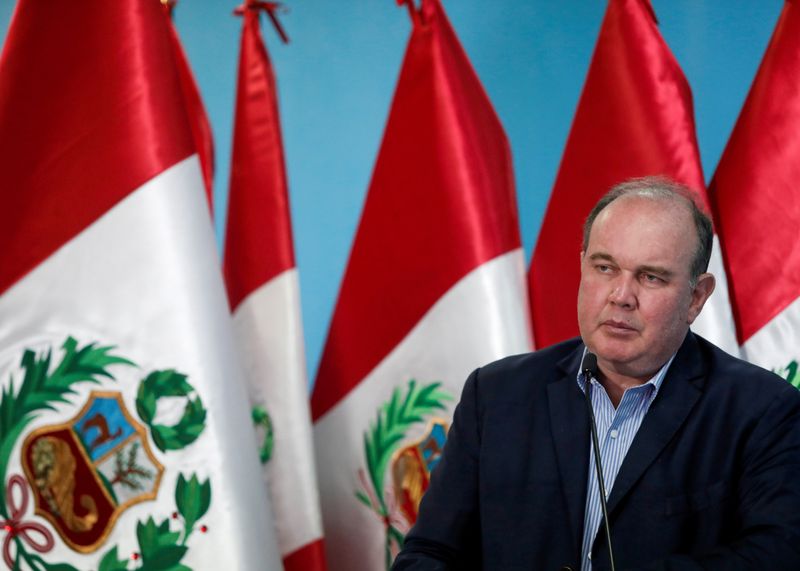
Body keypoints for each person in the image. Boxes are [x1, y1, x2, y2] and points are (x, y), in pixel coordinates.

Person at [391, 177, 800, 570]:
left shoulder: (762, 411)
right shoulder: (495, 394)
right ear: (583, 266)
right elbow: (431, 551)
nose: (621, 297)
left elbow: (776, 557)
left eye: (650, 277)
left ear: (696, 297)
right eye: (605, 268)